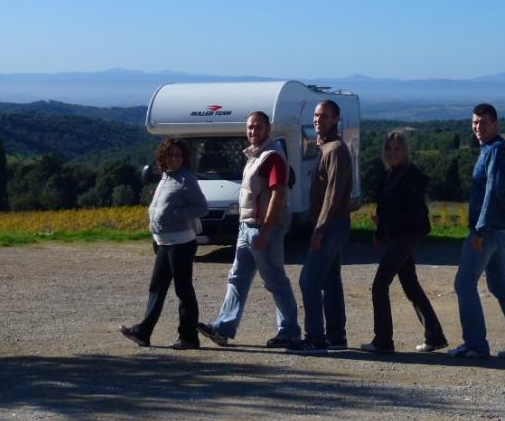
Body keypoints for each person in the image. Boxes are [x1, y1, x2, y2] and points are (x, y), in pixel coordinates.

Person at [197, 111, 301, 348]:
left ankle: (290, 331)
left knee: (274, 279)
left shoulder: (271, 156)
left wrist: (266, 230)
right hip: (246, 226)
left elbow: (278, 193)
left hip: (264, 228)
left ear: (268, 128)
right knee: (237, 277)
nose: (253, 131)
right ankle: (222, 328)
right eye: (250, 127)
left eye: (257, 127)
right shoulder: (255, 156)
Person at [450, 103, 505, 359]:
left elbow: (493, 193)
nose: (478, 127)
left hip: (488, 231)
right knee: (500, 285)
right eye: (475, 122)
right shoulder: (491, 149)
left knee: (464, 284)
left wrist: (479, 231)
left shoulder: (496, 151)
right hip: (499, 229)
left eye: (483, 122)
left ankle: (476, 345)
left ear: (495, 124)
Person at [359, 130, 447, 354]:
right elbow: (385, 209)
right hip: (398, 236)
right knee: (411, 286)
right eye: (388, 149)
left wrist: (388, 225)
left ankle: (383, 341)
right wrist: (380, 230)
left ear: (405, 151)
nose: (392, 153)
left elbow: (412, 212)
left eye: (397, 149)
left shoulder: (410, 176)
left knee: (380, 286)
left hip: (405, 236)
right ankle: (435, 336)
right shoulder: (391, 174)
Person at [120, 137, 208, 350]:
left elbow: (202, 207)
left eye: (178, 155)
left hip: (181, 242)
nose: (174, 158)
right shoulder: (166, 177)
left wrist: (176, 214)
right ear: (163, 157)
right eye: (170, 155)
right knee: (156, 287)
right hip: (163, 241)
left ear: (183, 157)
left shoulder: (186, 178)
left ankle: (188, 337)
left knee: (183, 289)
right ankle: (143, 332)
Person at [288, 100, 353, 353]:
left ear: (336, 119)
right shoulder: (327, 148)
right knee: (330, 281)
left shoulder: (335, 149)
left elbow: (334, 194)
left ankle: (315, 337)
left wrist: (320, 228)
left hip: (331, 225)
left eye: (324, 116)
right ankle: (337, 337)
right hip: (334, 224)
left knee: (308, 280)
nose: (318, 120)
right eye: (316, 115)